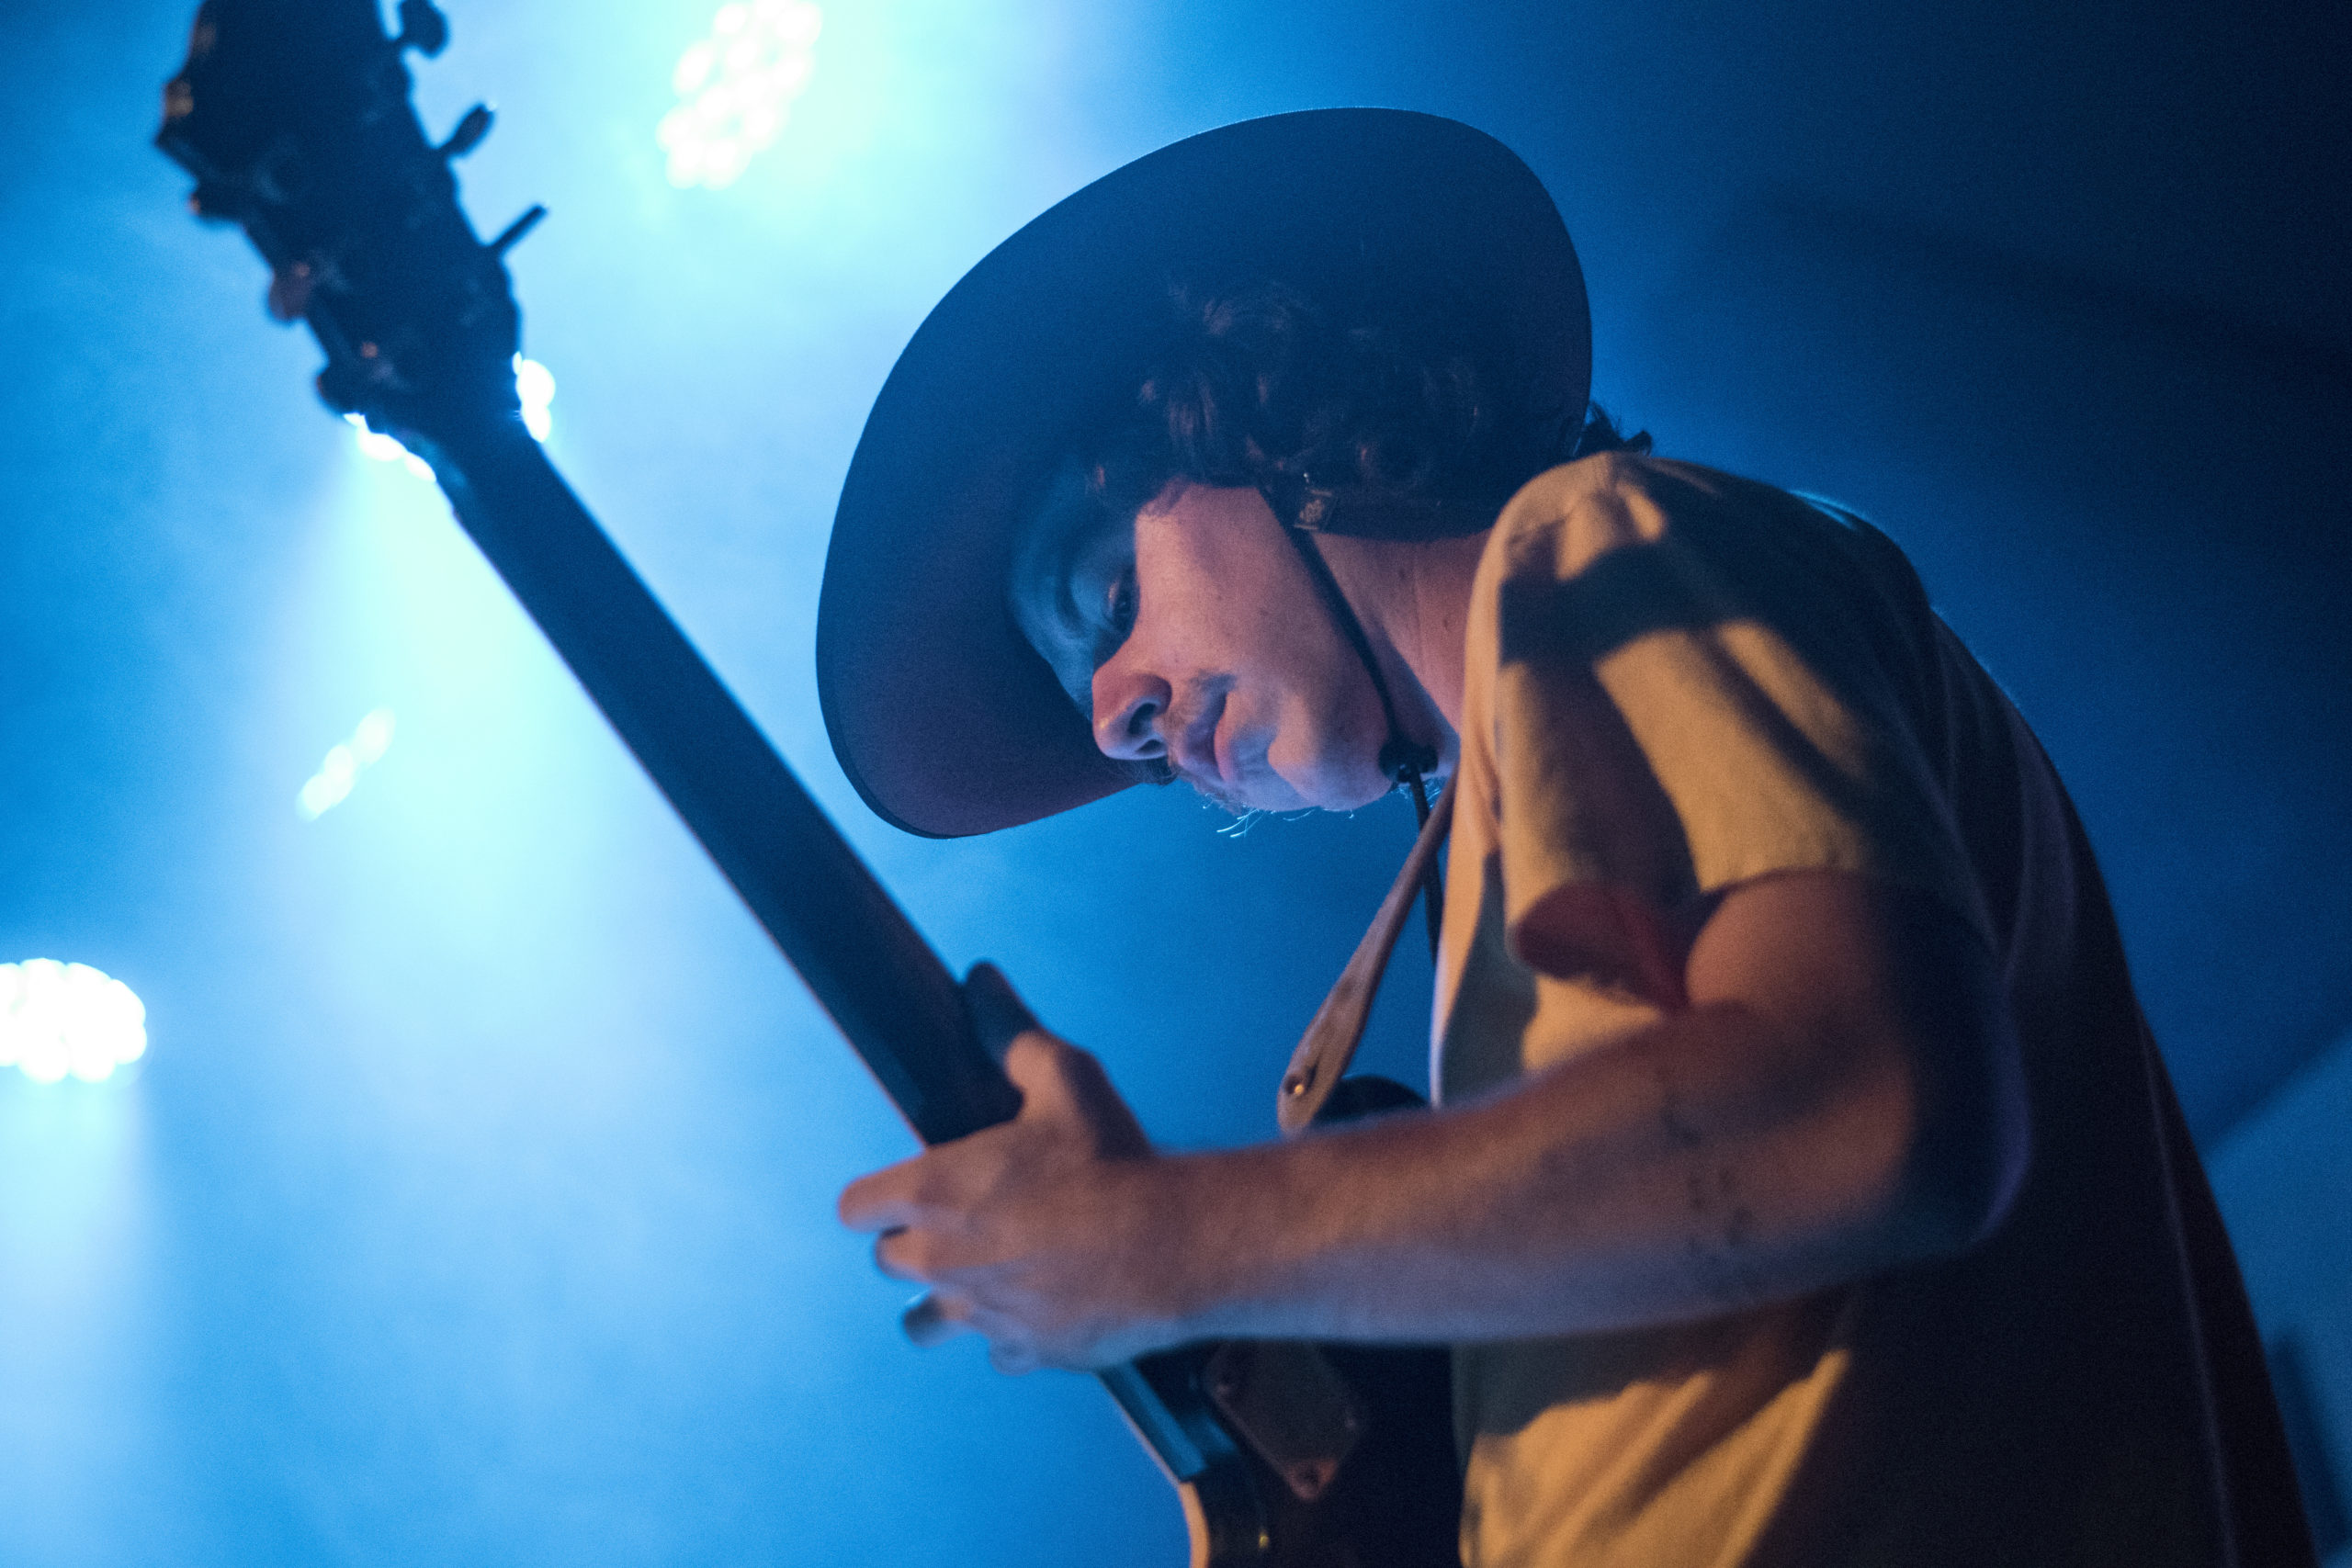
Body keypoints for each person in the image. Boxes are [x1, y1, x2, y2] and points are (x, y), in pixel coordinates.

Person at [816, 110, 2312, 1566]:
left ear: (1244, 414)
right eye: (1085, 691)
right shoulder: (1523, 806)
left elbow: (1875, 1109)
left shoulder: (1601, 541)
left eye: (1103, 599)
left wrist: (1176, 1243)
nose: (1113, 722)